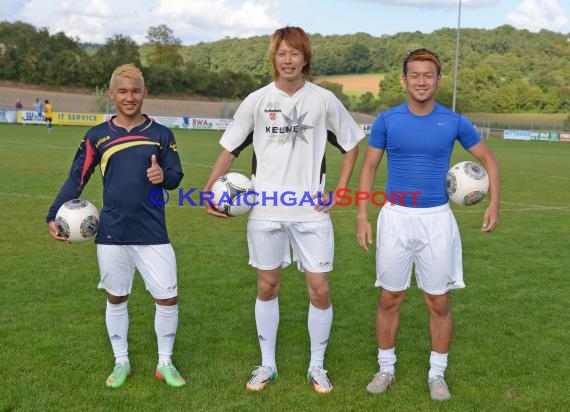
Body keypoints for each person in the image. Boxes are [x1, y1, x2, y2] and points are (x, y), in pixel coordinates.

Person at [203, 26, 364, 394]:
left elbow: (352, 144)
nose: (288, 60)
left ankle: (317, 366)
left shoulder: (323, 100)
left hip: (311, 213)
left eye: (295, 53)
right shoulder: (257, 100)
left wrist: (340, 191)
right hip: (264, 212)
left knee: (319, 291)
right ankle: (267, 364)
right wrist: (209, 190)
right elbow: (230, 149)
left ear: (306, 58)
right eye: (281, 53)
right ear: (273, 58)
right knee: (267, 286)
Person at [356, 49, 500, 401]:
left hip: (437, 220)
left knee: (438, 301)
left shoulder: (453, 121)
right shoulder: (388, 120)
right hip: (395, 218)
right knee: (391, 296)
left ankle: (437, 374)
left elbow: (489, 161)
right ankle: (385, 368)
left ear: (438, 79)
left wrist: (494, 202)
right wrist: (362, 215)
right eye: (414, 75)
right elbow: (369, 168)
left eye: (428, 75)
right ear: (404, 80)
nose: (421, 81)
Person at [46, 63, 186, 389]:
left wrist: (162, 177)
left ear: (144, 93)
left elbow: (176, 177)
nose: (129, 97)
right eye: (122, 91)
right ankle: (121, 361)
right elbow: (76, 178)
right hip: (112, 232)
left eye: (135, 91)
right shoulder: (97, 136)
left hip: (153, 232)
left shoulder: (161, 134)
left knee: (167, 297)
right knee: (116, 298)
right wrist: (54, 214)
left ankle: (165, 363)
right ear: (111, 94)